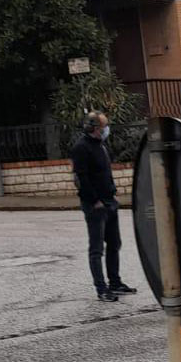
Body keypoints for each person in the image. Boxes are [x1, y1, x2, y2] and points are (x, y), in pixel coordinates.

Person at [71, 111, 137, 302]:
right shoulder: (81, 148)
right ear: (94, 128)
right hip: (95, 205)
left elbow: (104, 173)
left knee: (114, 244)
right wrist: (94, 201)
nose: (107, 129)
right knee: (96, 249)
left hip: (109, 201)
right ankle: (101, 288)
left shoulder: (100, 146)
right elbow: (80, 179)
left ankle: (115, 283)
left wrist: (112, 192)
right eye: (103, 126)